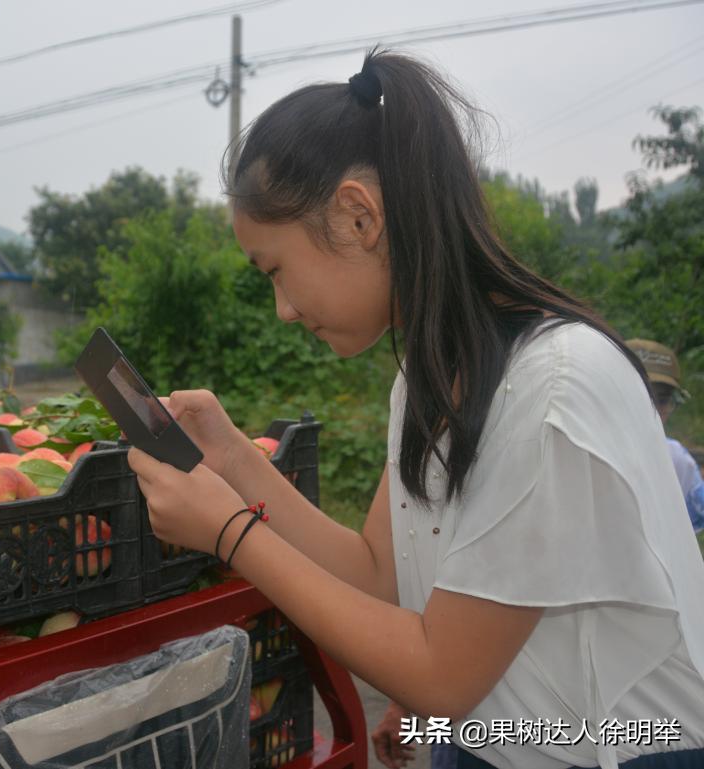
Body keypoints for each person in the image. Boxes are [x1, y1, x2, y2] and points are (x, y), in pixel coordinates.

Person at [126, 48, 704, 769]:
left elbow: (441, 675)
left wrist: (231, 534)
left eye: (277, 270)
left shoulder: (554, 387)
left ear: (358, 215)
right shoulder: (431, 376)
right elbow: (377, 575)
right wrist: (239, 459)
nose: (281, 308)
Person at [626, 339, 704, 533]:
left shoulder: (678, 461)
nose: (650, 409)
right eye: (639, 394)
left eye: (661, 399)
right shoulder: (579, 453)